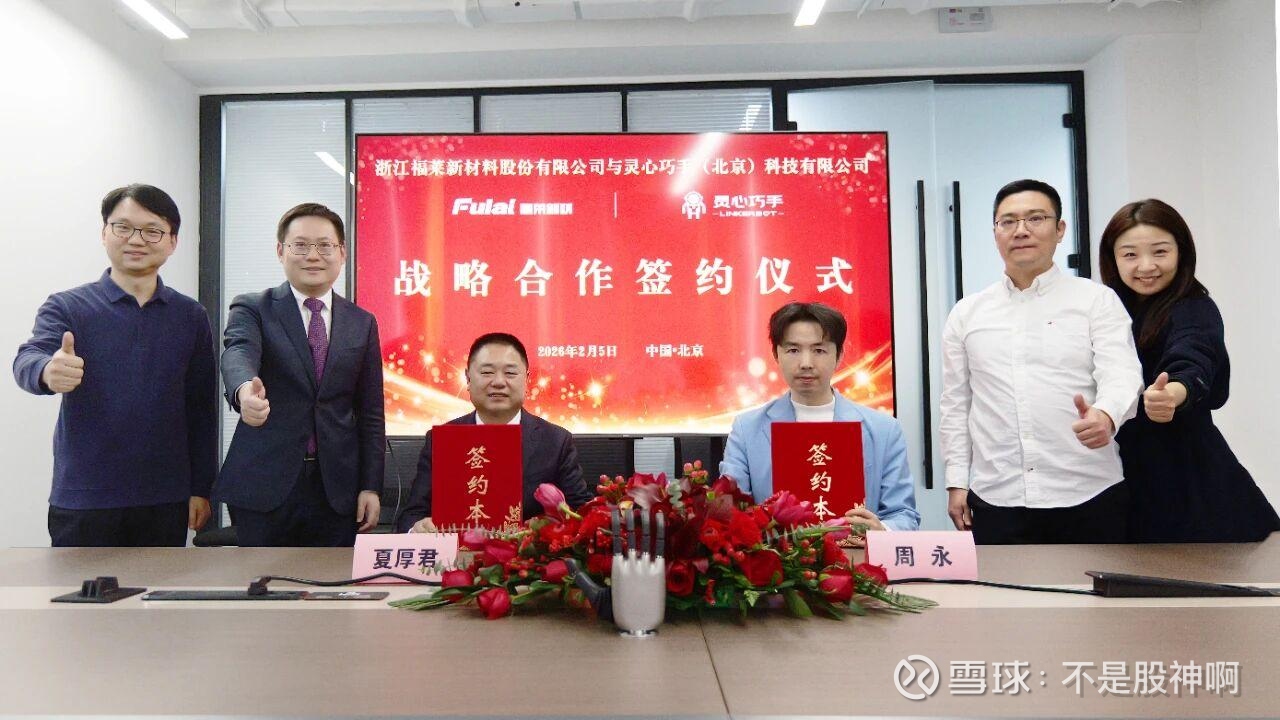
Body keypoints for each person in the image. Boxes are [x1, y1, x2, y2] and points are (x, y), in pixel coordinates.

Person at [939, 179, 1144, 544]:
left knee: (1094, 585)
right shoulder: (967, 313)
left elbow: (1122, 373)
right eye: (1008, 221)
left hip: (1088, 491)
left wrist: (1107, 415)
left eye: (1036, 218)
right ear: (995, 232)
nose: (1021, 230)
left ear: (1059, 229)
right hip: (997, 495)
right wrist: (957, 481)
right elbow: (956, 403)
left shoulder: (1096, 300)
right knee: (1001, 585)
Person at [13, 184, 216, 546]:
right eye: (123, 227)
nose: (136, 239)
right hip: (85, 497)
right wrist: (47, 371)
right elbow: (29, 357)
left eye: (152, 230)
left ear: (172, 242)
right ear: (104, 233)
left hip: (164, 498)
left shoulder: (190, 316)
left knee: (159, 585)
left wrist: (202, 487)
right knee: (80, 585)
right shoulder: (68, 307)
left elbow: (201, 407)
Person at [1099, 199, 1278, 542]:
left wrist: (1172, 393)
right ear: (1113, 258)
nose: (1146, 266)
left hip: (1187, 479)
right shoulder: (1104, 309)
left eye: (1160, 252)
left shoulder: (1193, 307)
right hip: (1117, 474)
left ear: (1181, 252)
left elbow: (1193, 356)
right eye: (1130, 254)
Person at [216, 203, 384, 546]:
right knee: (261, 578)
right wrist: (245, 391)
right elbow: (238, 352)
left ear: (342, 253)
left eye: (325, 245)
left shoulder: (362, 322)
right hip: (265, 483)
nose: (313, 255)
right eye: (301, 245)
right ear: (281, 251)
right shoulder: (253, 307)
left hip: (336, 489)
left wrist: (371, 486)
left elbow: (371, 412)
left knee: (333, 579)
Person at [719, 302, 920, 539]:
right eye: (793, 350)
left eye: (819, 350)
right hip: (778, 559)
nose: (806, 363)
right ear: (776, 354)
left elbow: (904, 515)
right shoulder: (747, 429)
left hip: (856, 558)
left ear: (839, 355)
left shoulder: (884, 430)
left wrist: (881, 530)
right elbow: (729, 513)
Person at [397, 333, 594, 533]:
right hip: (458, 552)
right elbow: (411, 514)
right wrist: (417, 529)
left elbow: (581, 511)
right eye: (487, 372)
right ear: (468, 379)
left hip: (528, 552)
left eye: (510, 373)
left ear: (526, 380)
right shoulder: (442, 440)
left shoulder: (556, 441)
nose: (499, 382)